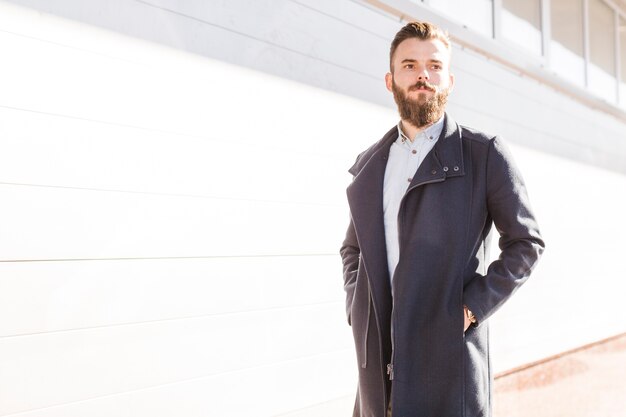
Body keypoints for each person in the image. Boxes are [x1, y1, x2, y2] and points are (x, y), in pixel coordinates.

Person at [340, 21, 545, 417]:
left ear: (449, 80)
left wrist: (470, 309)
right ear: (390, 80)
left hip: (449, 363)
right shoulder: (370, 165)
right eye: (410, 65)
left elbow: (526, 242)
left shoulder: (484, 155)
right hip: (378, 365)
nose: (423, 75)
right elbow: (353, 248)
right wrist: (357, 305)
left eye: (434, 66)